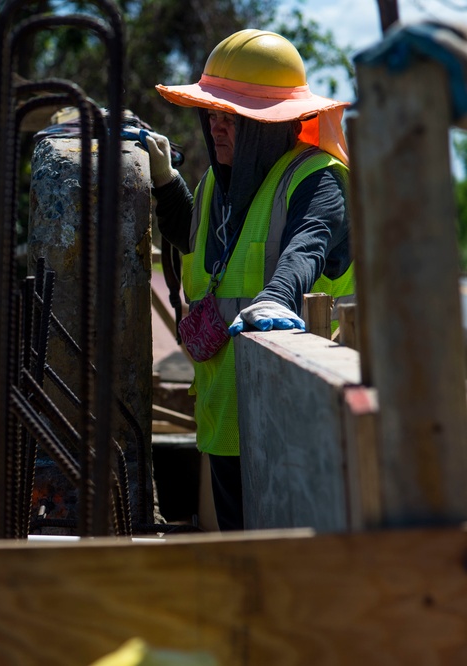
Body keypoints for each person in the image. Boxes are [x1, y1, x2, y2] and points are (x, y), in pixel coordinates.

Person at [137, 29, 355, 531]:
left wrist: (278, 297)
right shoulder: (219, 179)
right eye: (210, 114)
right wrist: (168, 184)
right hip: (227, 419)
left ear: (269, 125)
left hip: (294, 422)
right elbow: (201, 247)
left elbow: (308, 245)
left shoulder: (319, 178)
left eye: (230, 117)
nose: (215, 127)